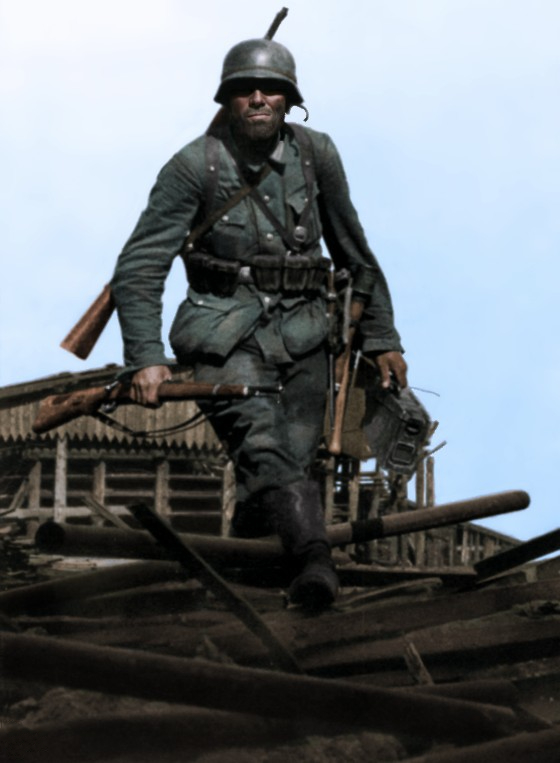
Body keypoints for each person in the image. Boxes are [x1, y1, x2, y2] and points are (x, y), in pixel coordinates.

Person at [111, 37, 408, 610]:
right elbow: (140, 265)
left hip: (305, 334)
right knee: (265, 449)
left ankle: (246, 593)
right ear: (226, 99)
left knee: (282, 468)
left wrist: (382, 337)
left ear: (289, 100)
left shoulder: (317, 154)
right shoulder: (192, 166)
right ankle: (315, 564)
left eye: (270, 89)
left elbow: (354, 252)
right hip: (223, 337)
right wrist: (145, 355)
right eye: (244, 89)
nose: (257, 99)